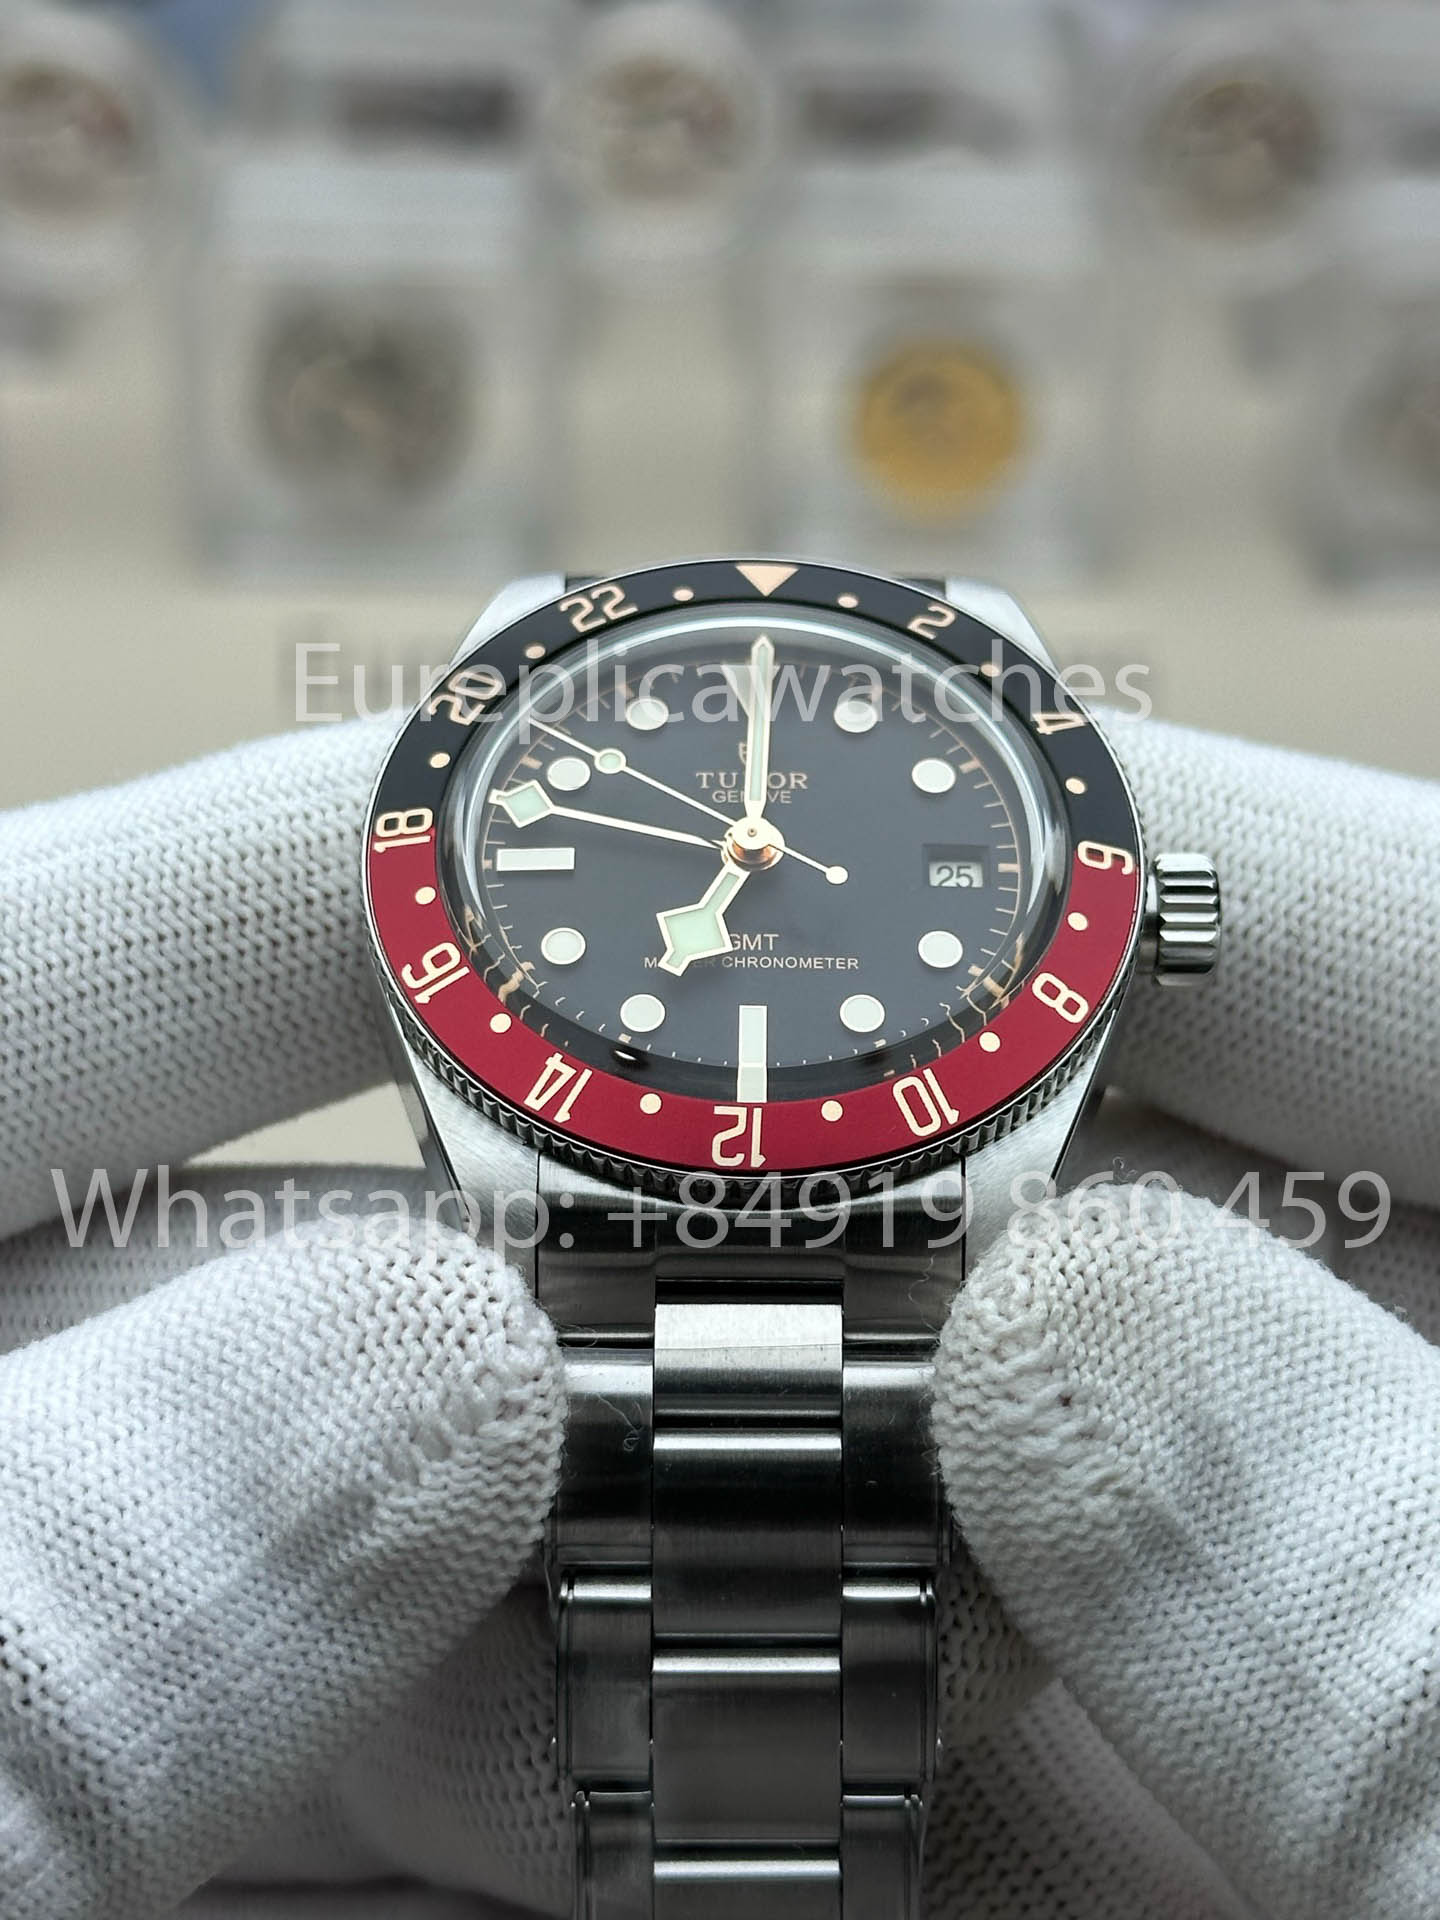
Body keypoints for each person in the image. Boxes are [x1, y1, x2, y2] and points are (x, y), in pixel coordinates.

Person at [0, 710, 1435, 1920]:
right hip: (633, 1224)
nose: (753, 844)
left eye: (767, 838)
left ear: (1147, 917)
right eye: (742, 835)